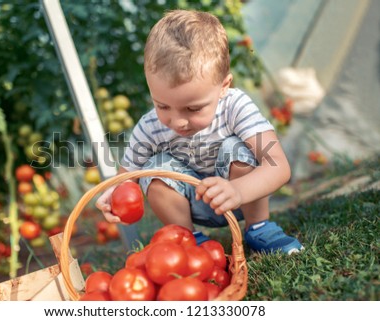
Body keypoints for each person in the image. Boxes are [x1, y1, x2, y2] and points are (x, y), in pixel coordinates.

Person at [96, 9, 304, 254]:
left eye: (193, 108)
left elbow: (279, 166)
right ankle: (188, 240)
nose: (177, 121)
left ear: (224, 86)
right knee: (155, 167)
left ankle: (259, 227)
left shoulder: (236, 107)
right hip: (192, 203)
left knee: (235, 147)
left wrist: (238, 190)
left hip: (242, 195)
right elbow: (125, 177)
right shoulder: (150, 126)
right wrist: (111, 194)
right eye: (162, 105)